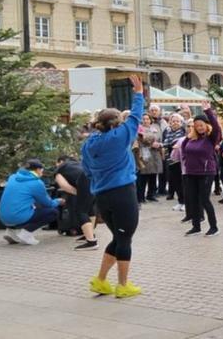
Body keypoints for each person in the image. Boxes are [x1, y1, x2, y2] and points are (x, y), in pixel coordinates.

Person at [81, 74, 144, 298]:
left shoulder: (88, 144)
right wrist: (138, 93)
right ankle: (123, 285)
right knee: (125, 238)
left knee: (118, 238)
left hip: (102, 196)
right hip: (123, 194)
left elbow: (86, 170)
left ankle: (100, 281)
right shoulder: (120, 136)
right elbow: (136, 116)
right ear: (116, 123)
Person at [179, 101, 222, 237]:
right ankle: (196, 227)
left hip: (206, 173)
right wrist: (187, 161)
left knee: (204, 200)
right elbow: (184, 148)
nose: (199, 128)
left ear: (206, 125)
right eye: (196, 126)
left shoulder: (211, 138)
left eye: (201, 125)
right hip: (191, 173)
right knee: (192, 199)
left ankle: (214, 227)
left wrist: (208, 111)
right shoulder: (191, 139)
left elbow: (217, 128)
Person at [0, 159, 65, 246]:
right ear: (37, 170)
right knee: (53, 212)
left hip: (3, 217)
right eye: (42, 169)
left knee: (22, 207)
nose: (42, 171)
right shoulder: (36, 183)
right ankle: (26, 234)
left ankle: (10, 232)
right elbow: (48, 204)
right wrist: (58, 201)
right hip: (17, 217)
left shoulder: (13, 177)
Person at [53, 155, 98, 250]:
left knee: (81, 211)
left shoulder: (60, 169)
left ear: (60, 161)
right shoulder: (77, 164)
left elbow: (64, 186)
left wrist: (79, 193)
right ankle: (90, 235)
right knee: (90, 209)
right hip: (95, 179)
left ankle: (91, 242)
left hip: (84, 183)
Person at [136, 113, 163, 203]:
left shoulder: (155, 127)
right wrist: (151, 141)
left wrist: (158, 144)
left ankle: (151, 195)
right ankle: (141, 197)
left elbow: (159, 139)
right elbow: (142, 139)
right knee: (143, 177)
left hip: (155, 155)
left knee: (153, 176)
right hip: (144, 154)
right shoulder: (139, 128)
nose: (145, 120)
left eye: (147, 119)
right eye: (143, 119)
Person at [162, 114, 186, 211]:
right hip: (170, 160)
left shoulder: (183, 132)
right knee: (175, 182)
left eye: (177, 121)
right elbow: (165, 144)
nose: (175, 123)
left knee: (182, 182)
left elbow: (175, 144)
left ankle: (186, 202)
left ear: (181, 122)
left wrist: (167, 145)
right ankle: (180, 201)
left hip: (180, 160)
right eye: (173, 121)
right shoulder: (167, 132)